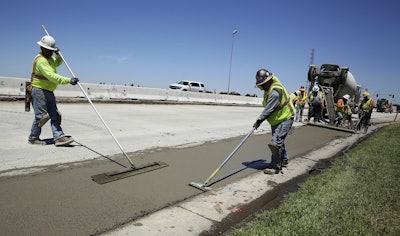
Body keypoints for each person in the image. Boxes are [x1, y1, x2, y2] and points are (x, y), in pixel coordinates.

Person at [28, 35, 79, 146]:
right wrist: (69, 80)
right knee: (42, 117)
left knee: (55, 115)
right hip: (39, 90)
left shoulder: (50, 59)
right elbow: (52, 76)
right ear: (42, 48)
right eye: (49, 50)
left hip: (49, 91)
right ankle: (33, 138)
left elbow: (57, 63)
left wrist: (59, 55)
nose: (51, 52)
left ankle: (59, 137)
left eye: (52, 50)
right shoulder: (41, 60)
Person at [252, 69, 295, 174]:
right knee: (279, 140)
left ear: (267, 82)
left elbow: (268, 109)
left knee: (275, 143)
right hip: (277, 119)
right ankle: (284, 160)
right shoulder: (269, 89)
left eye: (262, 84)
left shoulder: (275, 92)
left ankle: (275, 166)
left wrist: (259, 121)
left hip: (285, 118)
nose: (261, 87)